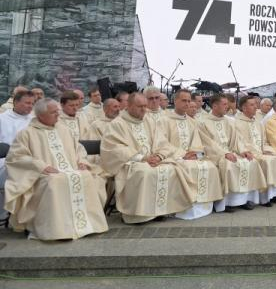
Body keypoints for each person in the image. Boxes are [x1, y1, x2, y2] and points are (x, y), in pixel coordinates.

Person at [4, 98, 108, 240]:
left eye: (57, 112)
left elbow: (79, 150)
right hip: (41, 175)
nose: (58, 116)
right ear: (40, 115)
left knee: (87, 177)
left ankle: (88, 225)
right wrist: (42, 166)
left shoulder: (63, 129)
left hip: (69, 170)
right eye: (53, 113)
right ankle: (57, 230)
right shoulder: (27, 133)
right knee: (55, 181)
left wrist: (82, 161)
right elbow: (16, 157)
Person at [101, 93, 195, 224]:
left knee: (172, 169)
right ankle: (139, 214)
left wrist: (158, 156)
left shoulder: (149, 121)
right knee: (144, 172)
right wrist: (142, 158)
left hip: (152, 160)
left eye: (145, 106)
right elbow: (115, 149)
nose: (144, 109)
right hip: (131, 162)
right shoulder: (117, 124)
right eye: (140, 106)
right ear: (128, 105)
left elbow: (162, 142)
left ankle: (161, 211)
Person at [196, 94, 267, 212]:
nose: (227, 107)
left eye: (227, 104)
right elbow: (208, 143)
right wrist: (224, 154)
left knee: (251, 161)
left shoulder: (229, 121)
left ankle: (246, 199)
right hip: (214, 155)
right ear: (214, 105)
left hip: (232, 152)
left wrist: (244, 151)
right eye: (224, 104)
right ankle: (228, 202)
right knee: (228, 165)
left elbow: (237, 140)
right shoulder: (202, 122)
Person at [159, 89, 222, 219]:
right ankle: (184, 208)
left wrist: (195, 153)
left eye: (189, 101)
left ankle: (204, 206)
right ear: (175, 101)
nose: (187, 103)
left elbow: (199, 141)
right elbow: (162, 143)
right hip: (174, 157)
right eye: (184, 100)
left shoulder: (193, 122)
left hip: (191, 156)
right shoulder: (164, 120)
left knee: (210, 166)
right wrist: (182, 154)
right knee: (187, 167)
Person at [234, 96, 276, 205]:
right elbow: (238, 142)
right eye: (252, 105)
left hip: (262, 152)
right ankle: (265, 197)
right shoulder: (236, 123)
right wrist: (252, 152)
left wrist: (268, 150)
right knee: (268, 162)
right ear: (244, 108)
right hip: (248, 153)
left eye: (256, 104)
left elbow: (264, 141)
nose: (256, 107)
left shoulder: (258, 122)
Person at [0, 89, 35, 222]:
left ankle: (30, 216)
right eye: (27, 103)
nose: (30, 106)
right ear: (15, 102)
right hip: (6, 160)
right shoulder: (2, 119)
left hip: (31, 159)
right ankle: (11, 214)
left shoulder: (34, 120)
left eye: (32, 103)